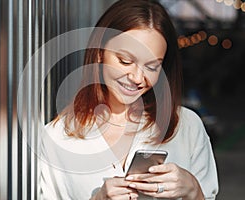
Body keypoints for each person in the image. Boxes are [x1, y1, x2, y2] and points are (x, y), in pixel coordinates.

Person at [38, 0, 219, 199]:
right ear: (99, 53)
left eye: (152, 67)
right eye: (125, 61)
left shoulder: (187, 127)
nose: (136, 77)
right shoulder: (56, 139)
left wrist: (194, 191)